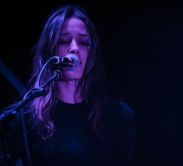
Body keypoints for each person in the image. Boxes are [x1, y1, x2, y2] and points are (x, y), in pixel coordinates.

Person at [4, 4, 136, 166]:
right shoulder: (24, 119)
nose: (74, 48)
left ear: (91, 54)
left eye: (84, 42)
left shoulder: (120, 116)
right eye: (64, 41)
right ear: (49, 51)